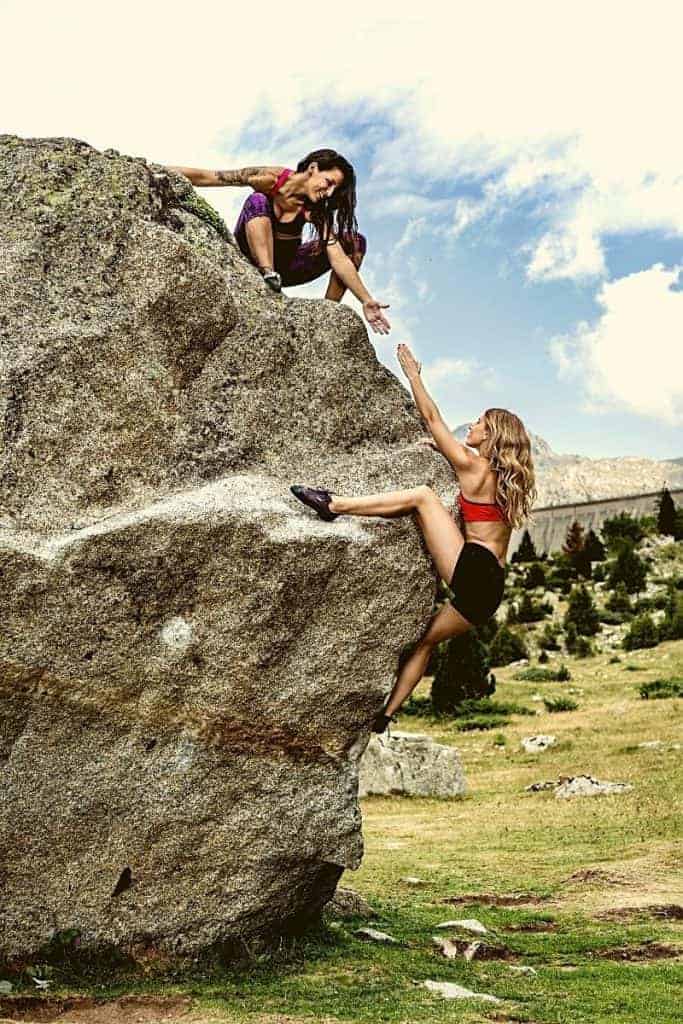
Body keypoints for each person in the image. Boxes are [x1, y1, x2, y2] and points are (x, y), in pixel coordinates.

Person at [290, 343, 536, 732]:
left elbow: (431, 416)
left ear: (490, 436)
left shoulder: (472, 464)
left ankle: (333, 504)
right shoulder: (506, 479)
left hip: (472, 569)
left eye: (479, 423)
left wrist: (414, 375)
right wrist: (440, 450)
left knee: (421, 497)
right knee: (425, 643)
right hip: (490, 588)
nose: (471, 425)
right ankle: (385, 716)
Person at [167, 149, 391, 335]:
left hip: (286, 269)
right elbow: (209, 177)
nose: (329, 192)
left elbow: (339, 259)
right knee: (257, 199)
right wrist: (153, 169)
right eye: (329, 182)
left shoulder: (314, 210)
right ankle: (267, 273)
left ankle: (327, 313)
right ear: (313, 169)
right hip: (250, 257)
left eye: (335, 189)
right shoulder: (269, 178)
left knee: (354, 242)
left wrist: (366, 299)